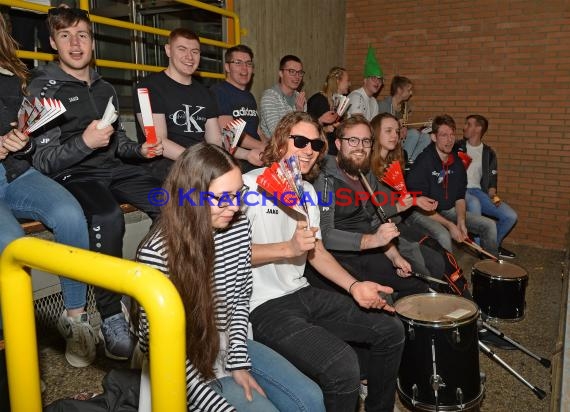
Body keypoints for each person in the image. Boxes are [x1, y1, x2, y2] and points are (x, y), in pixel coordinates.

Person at [136, 143, 325, 412]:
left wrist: (237, 361)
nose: (234, 206)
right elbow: (159, 351)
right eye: (223, 197)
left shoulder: (237, 226)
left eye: (239, 194)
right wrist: (217, 405)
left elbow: (239, 299)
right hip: (183, 362)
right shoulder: (156, 253)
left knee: (310, 398)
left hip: (228, 343)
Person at [243, 111, 405, 412]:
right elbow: (224, 253)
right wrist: (286, 248)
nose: (308, 150)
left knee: (390, 329)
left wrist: (354, 286)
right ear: (280, 144)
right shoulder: (248, 186)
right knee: (343, 366)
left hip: (301, 291)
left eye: (316, 145)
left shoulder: (306, 192)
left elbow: (316, 252)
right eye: (300, 141)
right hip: (262, 305)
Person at [28, 7, 163, 360]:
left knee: (168, 200)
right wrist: (84, 143)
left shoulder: (104, 87)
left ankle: (156, 288)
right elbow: (43, 160)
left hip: (114, 169)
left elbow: (116, 141)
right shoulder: (44, 87)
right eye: (65, 36)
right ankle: (110, 315)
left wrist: (140, 149)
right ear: (53, 42)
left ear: (92, 41)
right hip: (75, 174)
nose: (75, 44)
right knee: (107, 217)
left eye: (82, 35)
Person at [0, 13, 96, 371]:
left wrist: (19, 141)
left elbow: (26, 138)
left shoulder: (14, 69)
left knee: (71, 214)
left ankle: (75, 318)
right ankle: (17, 353)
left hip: (15, 172)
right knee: (13, 244)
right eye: (65, 36)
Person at [312, 114, 429, 299]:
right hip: (340, 257)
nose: (360, 147)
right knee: (384, 298)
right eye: (353, 140)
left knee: (418, 280)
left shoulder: (365, 174)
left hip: (368, 251)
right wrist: (372, 241)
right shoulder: (324, 178)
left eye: (366, 141)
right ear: (338, 145)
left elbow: (376, 221)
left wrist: (394, 256)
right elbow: (325, 235)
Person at [133, 28, 220, 183]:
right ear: (168, 50)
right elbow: (158, 141)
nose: (189, 57)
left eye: (195, 51)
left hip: (199, 164)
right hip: (163, 165)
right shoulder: (149, 87)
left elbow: (214, 141)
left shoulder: (206, 93)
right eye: (182, 49)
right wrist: (199, 163)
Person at [405, 114, 499, 257]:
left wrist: (461, 221)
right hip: (419, 212)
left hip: (445, 209)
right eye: (443, 135)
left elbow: (459, 196)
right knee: (443, 235)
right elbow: (420, 205)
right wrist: (449, 225)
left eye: (451, 134)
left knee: (489, 226)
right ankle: (449, 276)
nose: (449, 140)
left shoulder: (456, 160)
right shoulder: (423, 161)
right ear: (434, 137)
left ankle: (489, 272)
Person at [456, 114, 518, 259]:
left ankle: (492, 246)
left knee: (510, 216)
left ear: (478, 128)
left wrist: (495, 199)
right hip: (460, 190)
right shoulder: (457, 147)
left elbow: (491, 186)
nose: (464, 127)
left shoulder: (489, 153)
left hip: (478, 192)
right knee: (475, 203)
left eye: (469, 124)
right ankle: (480, 249)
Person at [210, 44, 266, 172]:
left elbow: (257, 130)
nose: (244, 69)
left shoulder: (249, 96)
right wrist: (262, 146)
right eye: (238, 63)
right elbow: (229, 133)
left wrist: (270, 145)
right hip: (236, 160)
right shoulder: (219, 91)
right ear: (227, 67)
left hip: (257, 156)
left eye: (248, 64)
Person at [377, 75, 431, 163]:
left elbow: (404, 127)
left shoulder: (404, 107)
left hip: (399, 139)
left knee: (426, 137)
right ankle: (402, 162)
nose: (411, 93)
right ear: (399, 90)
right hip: (388, 139)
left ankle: (411, 163)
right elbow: (379, 128)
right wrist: (398, 129)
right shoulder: (383, 106)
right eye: (408, 90)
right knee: (414, 134)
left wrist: (404, 128)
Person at [259, 55, 306, 137]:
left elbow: (305, 130)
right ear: (281, 73)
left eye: (300, 72)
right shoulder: (270, 97)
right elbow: (277, 133)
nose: (297, 77)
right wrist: (299, 113)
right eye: (292, 71)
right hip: (274, 147)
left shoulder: (300, 97)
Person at [307, 66, 350, 155]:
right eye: (347, 80)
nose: (349, 84)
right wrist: (325, 128)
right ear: (338, 81)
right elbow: (308, 127)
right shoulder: (319, 100)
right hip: (322, 151)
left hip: (334, 149)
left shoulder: (340, 102)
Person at [346, 45, 382, 121]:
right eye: (373, 78)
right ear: (365, 80)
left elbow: (375, 126)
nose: (377, 82)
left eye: (380, 79)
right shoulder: (356, 96)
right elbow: (358, 123)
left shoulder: (374, 101)